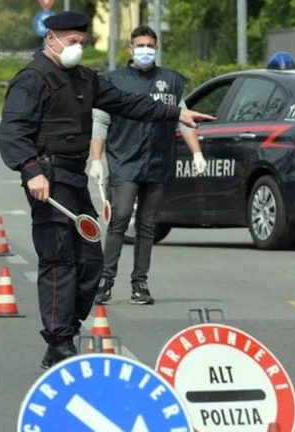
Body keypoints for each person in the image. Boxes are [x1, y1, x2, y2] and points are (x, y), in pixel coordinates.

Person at [0, 12, 214, 369]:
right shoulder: (32, 79)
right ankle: (59, 342)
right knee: (59, 258)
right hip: (48, 178)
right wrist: (31, 171)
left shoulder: (85, 79)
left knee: (91, 260)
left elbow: (129, 103)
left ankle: (67, 328)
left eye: (82, 42)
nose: (77, 48)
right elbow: (13, 131)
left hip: (74, 176)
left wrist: (175, 114)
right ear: (51, 39)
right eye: (71, 41)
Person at [90, 25, 207, 306]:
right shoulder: (114, 80)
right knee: (119, 219)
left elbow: (185, 118)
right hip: (124, 161)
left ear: (156, 48)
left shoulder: (171, 81)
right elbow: (101, 121)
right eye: (140, 45)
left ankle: (139, 284)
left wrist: (197, 153)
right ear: (130, 49)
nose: (145, 50)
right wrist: (96, 159)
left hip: (158, 161)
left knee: (147, 224)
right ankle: (105, 281)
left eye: (150, 46)